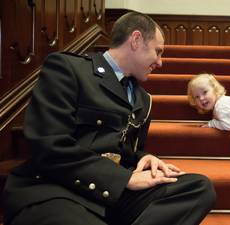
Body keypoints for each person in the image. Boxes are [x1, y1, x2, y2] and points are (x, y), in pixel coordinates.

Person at [3, 12, 216, 225]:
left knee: (199, 188)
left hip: (111, 194)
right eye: (158, 52)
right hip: (58, 189)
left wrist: (143, 157)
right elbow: (48, 144)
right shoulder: (68, 69)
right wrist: (124, 179)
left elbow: (122, 148)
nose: (160, 62)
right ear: (136, 40)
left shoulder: (143, 98)